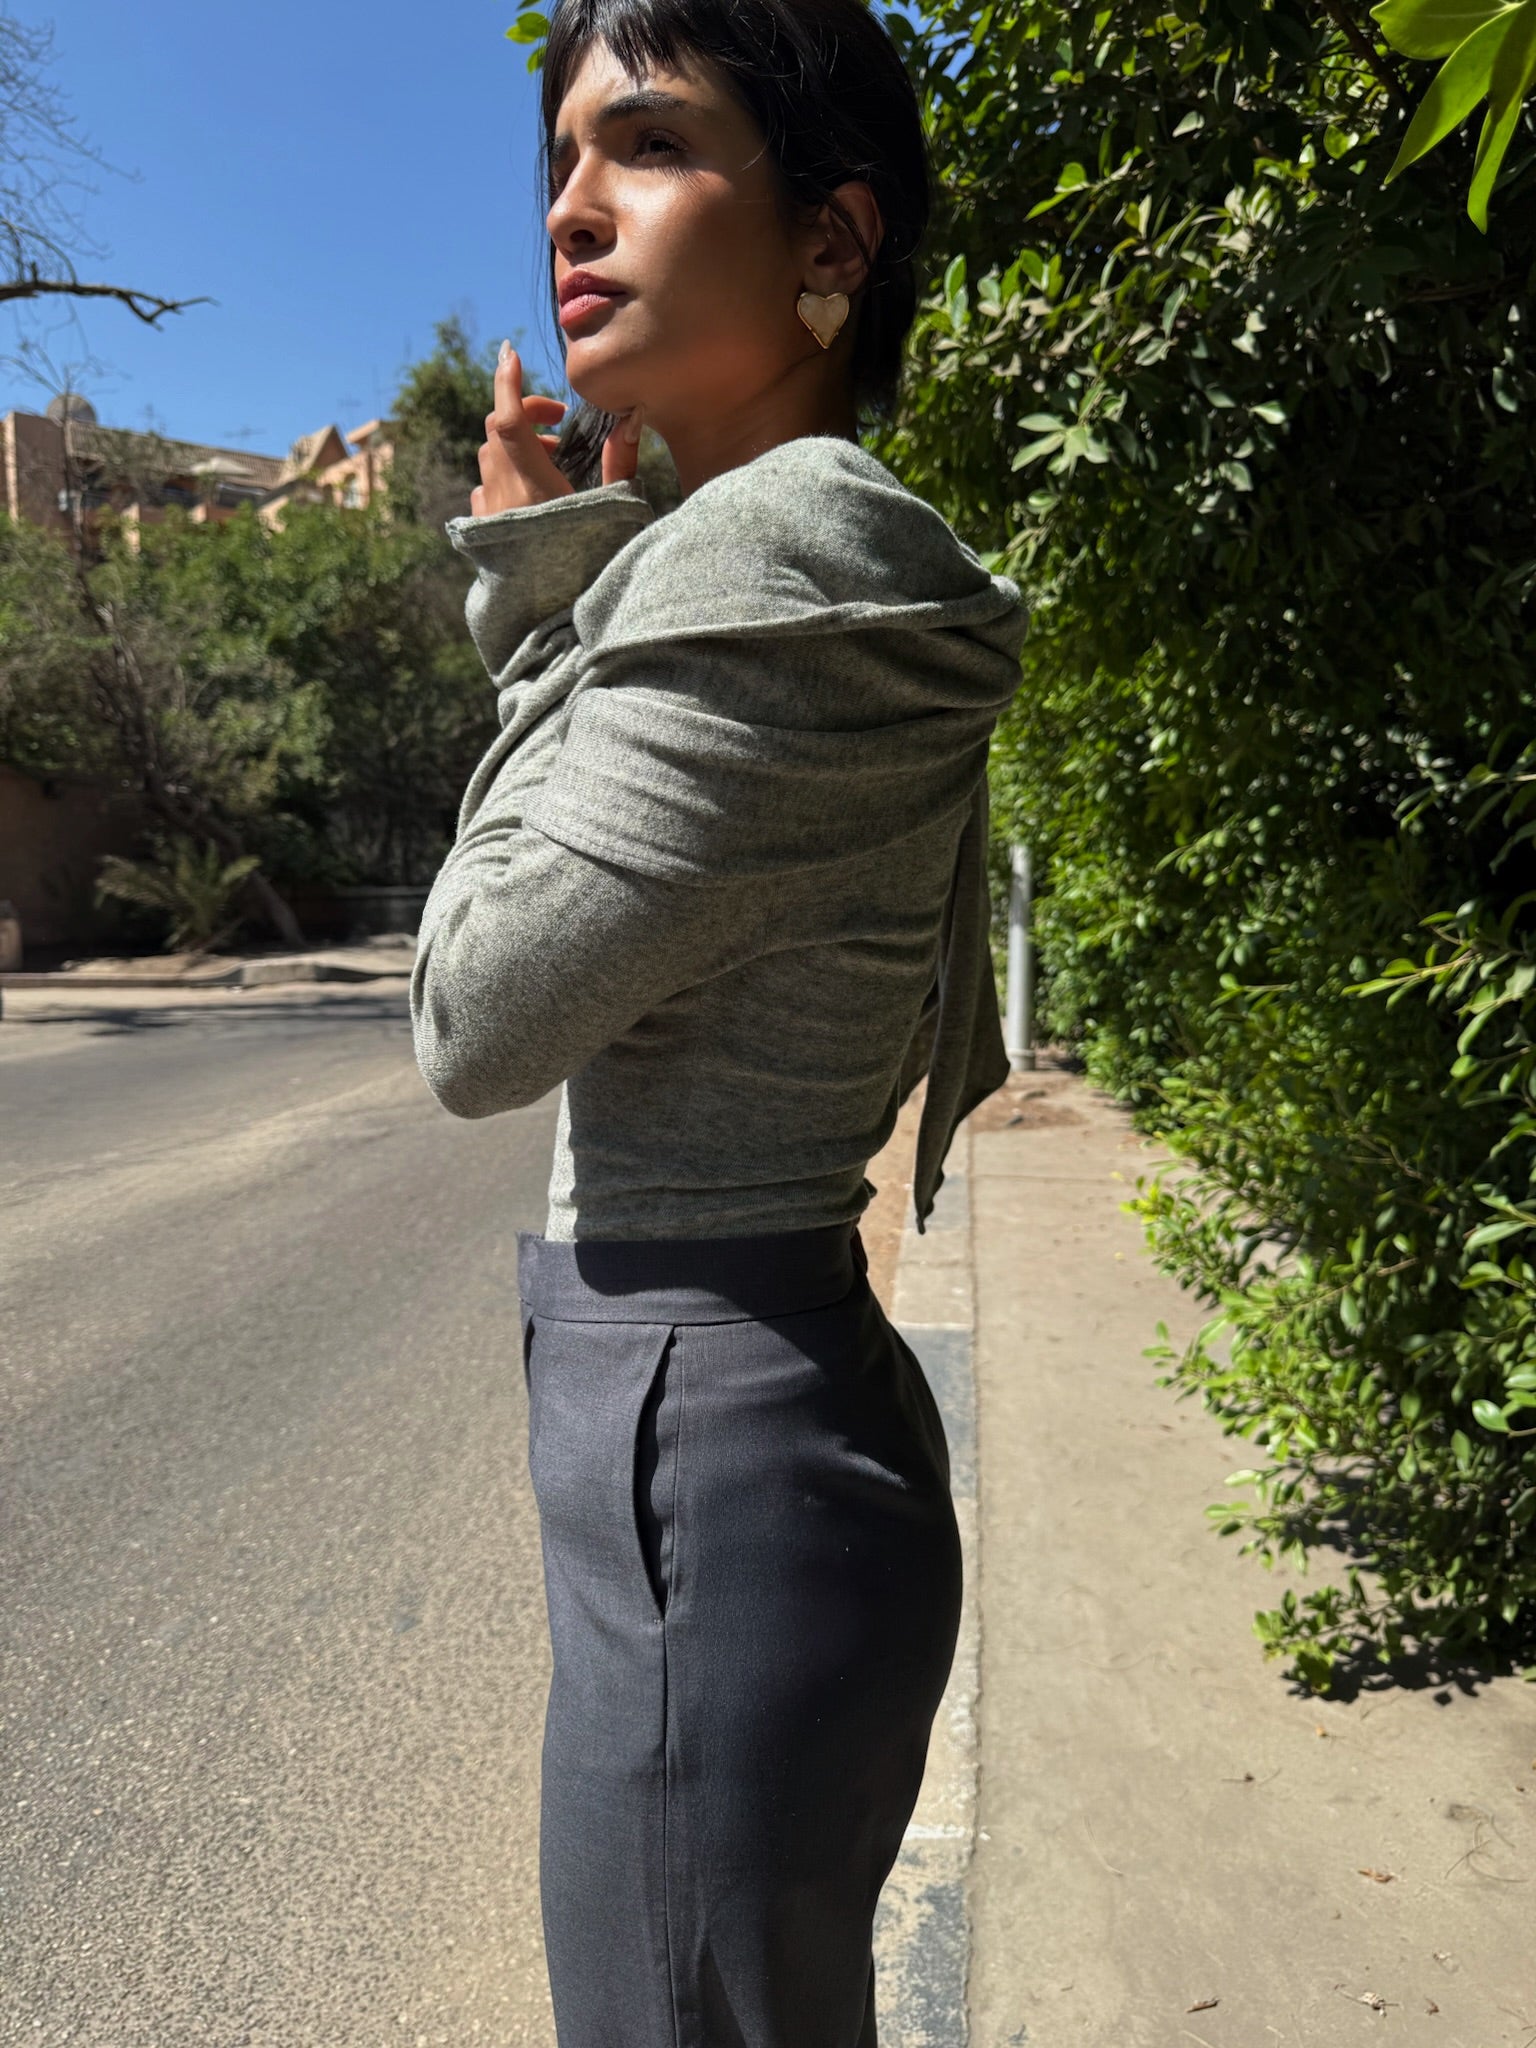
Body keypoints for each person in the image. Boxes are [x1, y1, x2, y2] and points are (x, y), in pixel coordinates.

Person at [410, 0, 1027, 2040]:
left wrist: (527, 590)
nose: (576, 211)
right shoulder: (751, 556)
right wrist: (580, 584)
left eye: (652, 144)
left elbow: (477, 1012)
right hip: (747, 1434)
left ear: (833, 244)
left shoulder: (783, 546)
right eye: (559, 164)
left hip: (712, 1438)